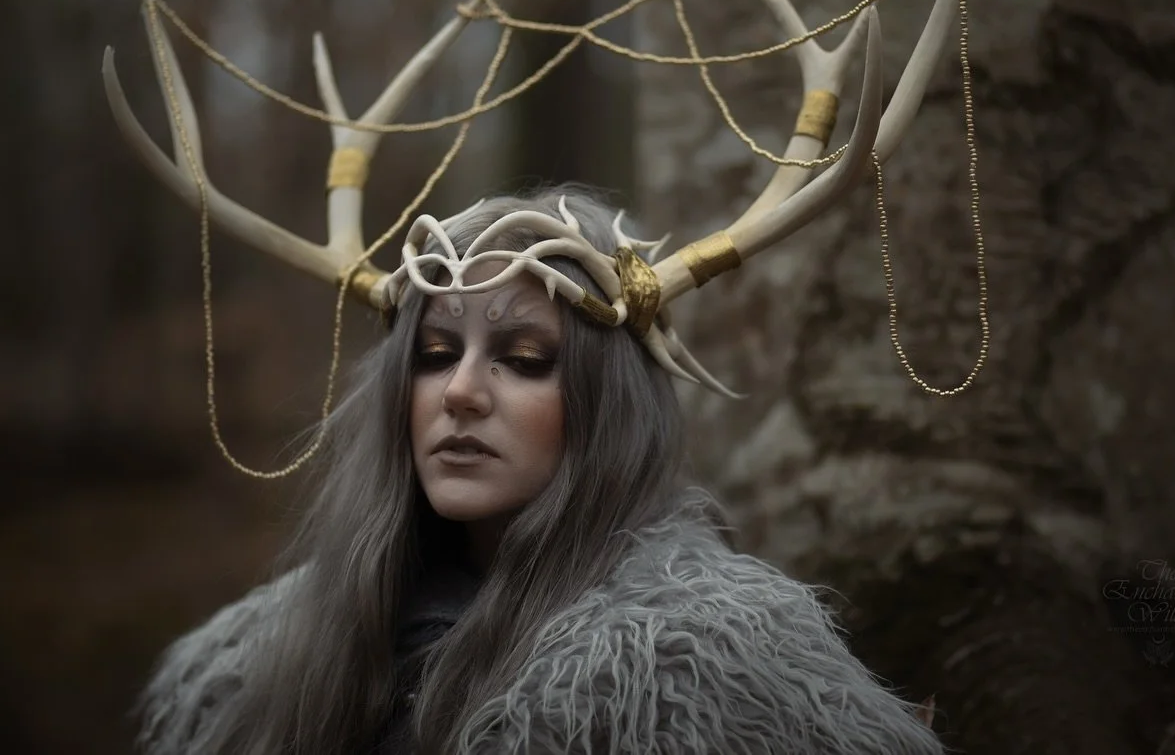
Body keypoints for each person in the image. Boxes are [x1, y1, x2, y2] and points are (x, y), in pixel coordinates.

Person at [133, 189, 944, 755]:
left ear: (604, 404)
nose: (459, 391)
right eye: (435, 353)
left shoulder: (707, 664)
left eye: (523, 360)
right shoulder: (253, 662)